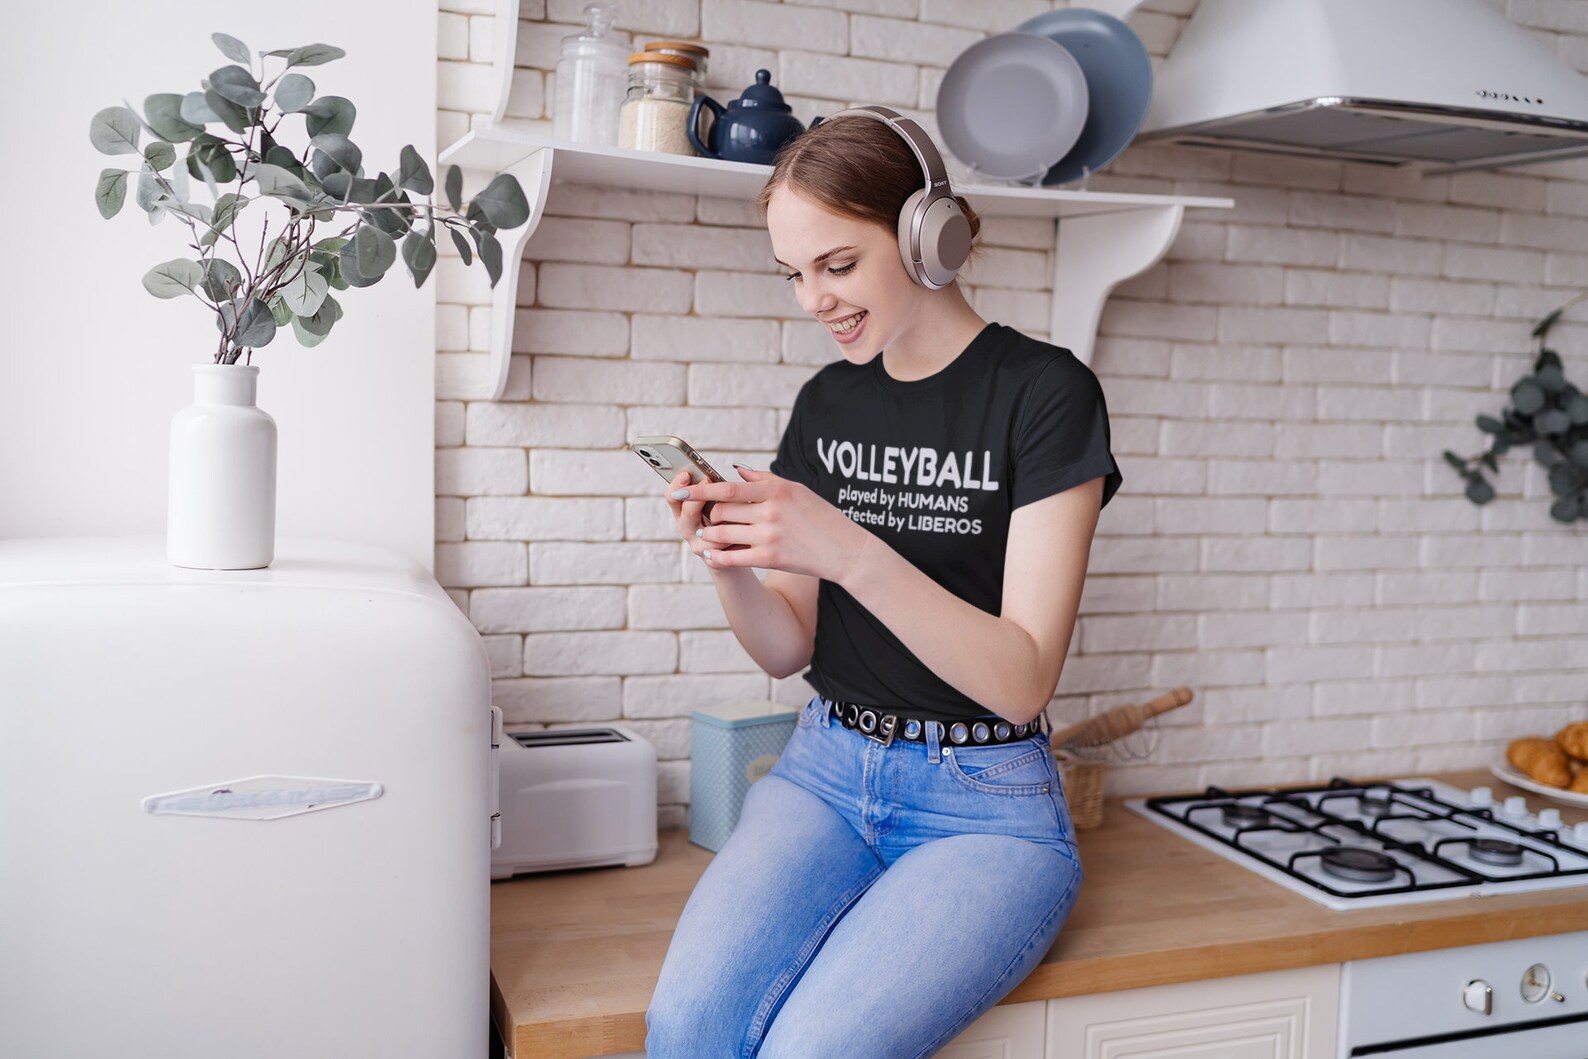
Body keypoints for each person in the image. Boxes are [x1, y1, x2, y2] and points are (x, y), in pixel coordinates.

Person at [644, 106, 1122, 1059]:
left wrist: (846, 544)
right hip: (824, 770)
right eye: (794, 273)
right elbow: (789, 647)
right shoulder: (828, 401)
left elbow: (1024, 678)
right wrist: (729, 562)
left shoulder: (1046, 394)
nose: (812, 300)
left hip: (983, 805)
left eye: (837, 264)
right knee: (686, 1029)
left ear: (925, 235)